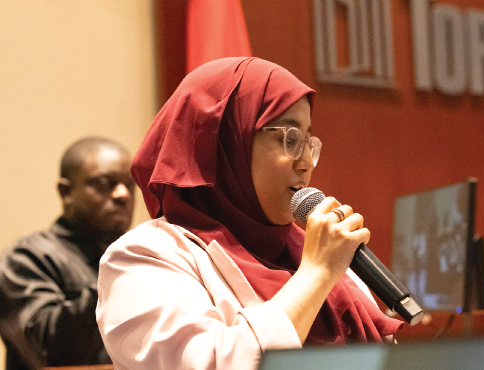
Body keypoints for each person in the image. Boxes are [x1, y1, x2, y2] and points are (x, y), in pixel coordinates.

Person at [96, 57, 403, 370]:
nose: (307, 162)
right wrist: (316, 274)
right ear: (225, 143)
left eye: (308, 143)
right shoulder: (144, 257)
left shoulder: (319, 254)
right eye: (289, 139)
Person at [0, 136, 135, 370]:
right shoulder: (26, 259)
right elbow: (46, 351)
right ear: (66, 192)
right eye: (105, 183)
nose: (123, 194)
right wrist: (117, 277)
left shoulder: (139, 255)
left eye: (130, 185)